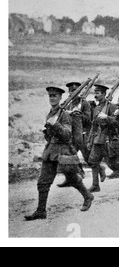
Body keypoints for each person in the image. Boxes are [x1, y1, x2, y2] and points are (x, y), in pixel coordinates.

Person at [25, 87, 93, 221]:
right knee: (43, 182)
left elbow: (67, 135)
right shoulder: (51, 113)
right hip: (50, 151)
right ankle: (41, 211)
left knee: (72, 179)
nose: (52, 98)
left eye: (54, 96)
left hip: (63, 152)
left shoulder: (65, 115)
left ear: (60, 97)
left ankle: (87, 196)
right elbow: (50, 135)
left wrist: (55, 125)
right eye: (50, 96)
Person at [86, 84, 119, 192]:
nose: (95, 95)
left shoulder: (112, 107)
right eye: (95, 93)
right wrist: (89, 140)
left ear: (104, 94)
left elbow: (118, 123)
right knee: (93, 161)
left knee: (112, 164)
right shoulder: (96, 108)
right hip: (98, 140)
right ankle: (95, 185)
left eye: (98, 93)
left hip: (108, 140)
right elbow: (94, 125)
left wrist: (107, 117)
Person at [57, 81, 92, 187]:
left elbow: (88, 120)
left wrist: (79, 115)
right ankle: (72, 178)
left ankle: (100, 170)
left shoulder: (84, 103)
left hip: (83, 134)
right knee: (68, 157)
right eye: (71, 91)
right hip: (70, 134)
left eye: (75, 91)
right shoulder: (67, 103)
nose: (73, 93)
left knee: (87, 157)